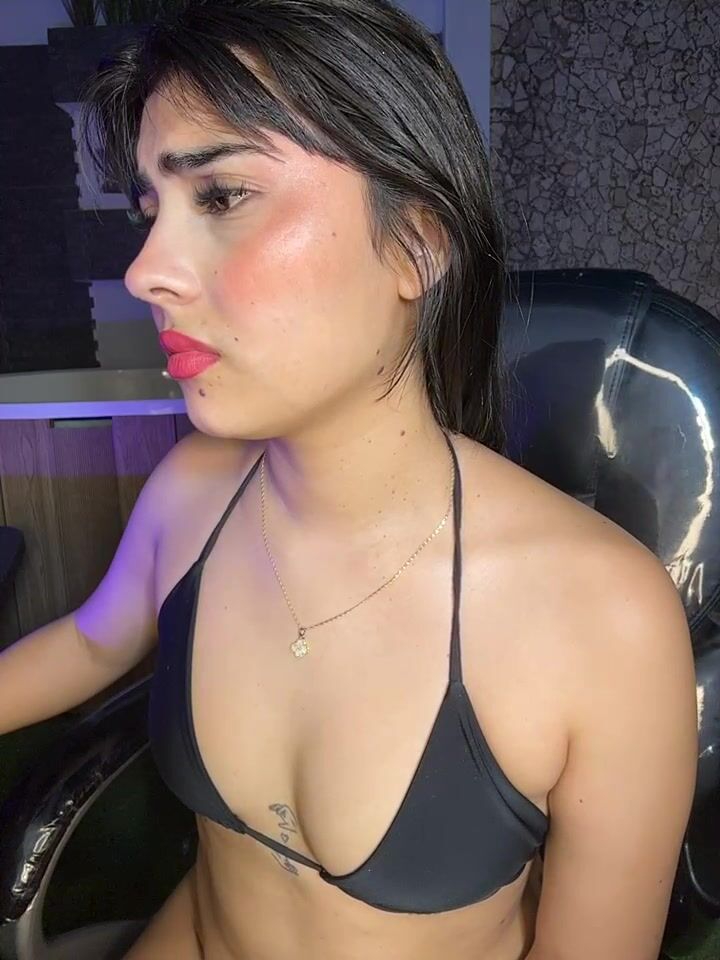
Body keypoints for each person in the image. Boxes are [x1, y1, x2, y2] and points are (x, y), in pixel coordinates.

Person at [0, 1, 697, 958]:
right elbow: (90, 640)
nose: (145, 271)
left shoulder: (605, 620)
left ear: (416, 244)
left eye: (222, 196)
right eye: (150, 212)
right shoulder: (195, 489)